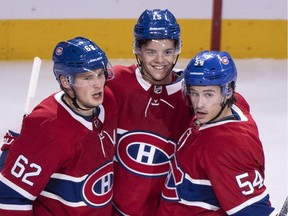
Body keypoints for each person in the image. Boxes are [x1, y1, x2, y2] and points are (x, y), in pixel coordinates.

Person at [0, 36, 118, 215]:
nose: (97, 84)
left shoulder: (107, 101)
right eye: (87, 77)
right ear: (65, 81)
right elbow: (10, 197)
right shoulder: (48, 127)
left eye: (100, 74)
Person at [157, 50, 277, 215]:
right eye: (194, 93)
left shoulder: (225, 147)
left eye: (208, 94)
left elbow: (252, 211)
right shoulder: (233, 105)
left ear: (228, 91)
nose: (199, 104)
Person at [106, 9, 192, 216]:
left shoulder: (193, 93)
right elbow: (74, 100)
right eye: (151, 51)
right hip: (117, 209)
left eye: (168, 52)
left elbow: (229, 110)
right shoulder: (114, 81)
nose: (160, 60)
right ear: (138, 51)